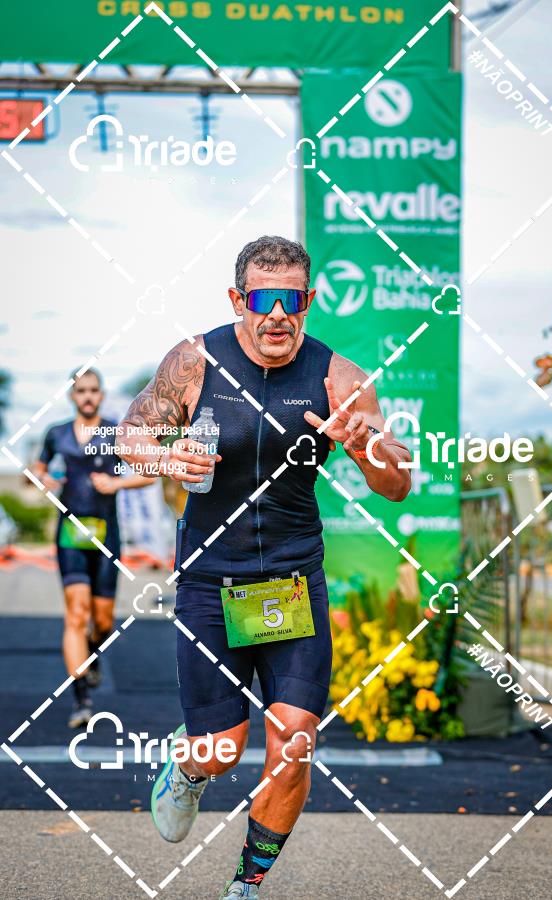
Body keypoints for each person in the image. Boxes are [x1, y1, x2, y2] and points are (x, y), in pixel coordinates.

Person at [116, 236, 411, 898]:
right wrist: (165, 456)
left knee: (295, 740)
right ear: (237, 299)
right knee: (221, 749)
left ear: (308, 301)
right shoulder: (193, 361)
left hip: (290, 579)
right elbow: (128, 437)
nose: (277, 314)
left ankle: (246, 883)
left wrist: (362, 450)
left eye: (292, 299)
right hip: (209, 580)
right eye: (262, 298)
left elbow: (398, 484)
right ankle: (189, 769)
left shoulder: (341, 378)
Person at [34, 369, 152, 728]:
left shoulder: (116, 433)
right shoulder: (56, 434)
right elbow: (37, 470)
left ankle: (93, 650)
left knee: (101, 621)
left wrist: (117, 484)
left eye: (93, 390)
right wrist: (44, 479)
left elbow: (149, 472)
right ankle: (81, 698)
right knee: (76, 613)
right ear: (72, 395)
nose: (87, 396)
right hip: (70, 534)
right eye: (81, 390)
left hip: (105, 536)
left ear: (101, 395)